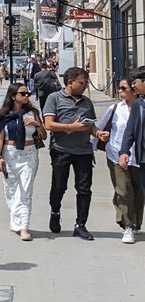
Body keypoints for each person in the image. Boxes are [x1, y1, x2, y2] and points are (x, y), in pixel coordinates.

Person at [43, 67, 109, 240]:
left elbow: (91, 125)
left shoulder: (87, 102)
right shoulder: (54, 98)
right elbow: (48, 124)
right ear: (70, 82)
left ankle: (81, 225)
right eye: (82, 82)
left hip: (84, 151)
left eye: (86, 82)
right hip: (61, 150)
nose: (85, 86)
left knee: (84, 189)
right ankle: (55, 211)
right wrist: (70, 127)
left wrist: (98, 133)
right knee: (59, 186)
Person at [0, 84, 45, 241]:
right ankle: (15, 219)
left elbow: (43, 136)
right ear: (13, 96)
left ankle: (24, 227)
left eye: (28, 93)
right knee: (11, 190)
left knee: (25, 191)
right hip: (9, 154)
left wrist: (37, 125)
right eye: (22, 93)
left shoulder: (32, 113)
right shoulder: (4, 115)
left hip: (29, 155)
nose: (26, 95)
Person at [104, 79, 144, 243]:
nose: (120, 91)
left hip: (139, 158)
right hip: (117, 155)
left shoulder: (139, 105)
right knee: (124, 191)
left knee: (139, 193)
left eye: (124, 88)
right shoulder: (116, 108)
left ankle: (135, 224)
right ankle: (128, 226)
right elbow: (129, 132)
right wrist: (123, 151)